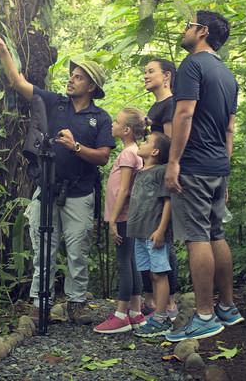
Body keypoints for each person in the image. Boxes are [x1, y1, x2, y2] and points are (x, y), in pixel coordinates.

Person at [0, 31, 115, 324]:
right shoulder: (54, 103)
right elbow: (18, 83)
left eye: (78, 77)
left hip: (80, 193)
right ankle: (39, 303)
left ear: (91, 86)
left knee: (78, 251)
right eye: (71, 75)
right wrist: (4, 52)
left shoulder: (101, 117)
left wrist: (76, 147)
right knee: (42, 249)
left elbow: (104, 157)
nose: (71, 79)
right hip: (46, 190)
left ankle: (76, 303)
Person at [164, 11, 244, 342]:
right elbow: (229, 128)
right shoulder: (227, 74)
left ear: (203, 31)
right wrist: (223, 167)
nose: (184, 31)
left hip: (193, 166)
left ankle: (205, 316)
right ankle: (227, 307)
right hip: (216, 166)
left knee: (197, 236)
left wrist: (173, 162)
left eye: (188, 26)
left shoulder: (192, 65)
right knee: (215, 233)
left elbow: (184, 112)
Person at [93, 108, 147, 334]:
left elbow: (124, 189)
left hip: (123, 216)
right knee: (132, 262)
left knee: (124, 263)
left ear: (126, 130)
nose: (112, 125)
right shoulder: (137, 151)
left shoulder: (127, 154)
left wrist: (113, 220)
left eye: (116, 122)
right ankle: (135, 312)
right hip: (131, 216)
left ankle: (120, 315)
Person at [141, 59, 179, 321]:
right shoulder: (155, 106)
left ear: (166, 76)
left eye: (150, 71)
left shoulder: (170, 105)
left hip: (163, 181)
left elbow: (168, 145)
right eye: (144, 72)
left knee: (164, 241)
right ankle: (154, 301)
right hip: (152, 181)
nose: (145, 75)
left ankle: (172, 302)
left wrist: (166, 180)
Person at [127, 131, 173, 337]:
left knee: (159, 273)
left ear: (154, 151)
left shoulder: (160, 172)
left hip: (154, 232)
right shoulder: (141, 172)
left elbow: (168, 202)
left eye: (146, 141)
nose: (141, 142)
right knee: (150, 274)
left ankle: (163, 319)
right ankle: (157, 316)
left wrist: (161, 230)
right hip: (140, 233)